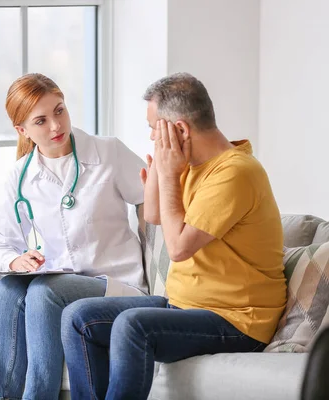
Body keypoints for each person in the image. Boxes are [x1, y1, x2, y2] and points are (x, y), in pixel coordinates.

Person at [60, 72, 287, 400]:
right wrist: (161, 175)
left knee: (132, 326)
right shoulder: (193, 166)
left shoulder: (236, 172)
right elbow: (153, 216)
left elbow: (178, 247)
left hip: (238, 320)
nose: (152, 136)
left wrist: (167, 176)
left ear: (179, 129)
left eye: (154, 127)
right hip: (186, 306)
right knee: (78, 317)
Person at [0, 73, 147, 400]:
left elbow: (152, 195)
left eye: (59, 111)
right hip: (61, 286)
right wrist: (17, 260)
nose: (56, 126)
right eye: (41, 121)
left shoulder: (108, 152)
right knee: (5, 290)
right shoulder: (19, 178)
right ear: (23, 131)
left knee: (45, 291)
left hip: (114, 284)